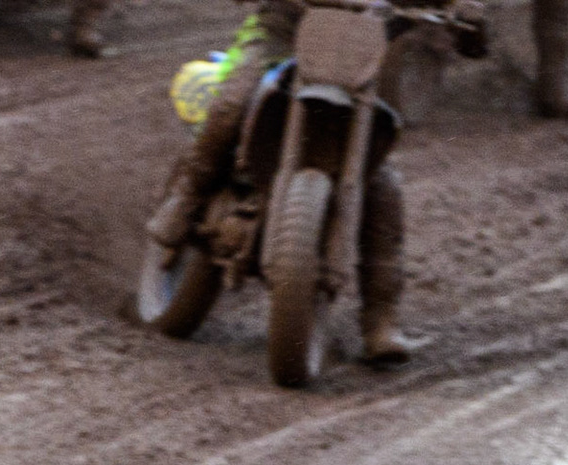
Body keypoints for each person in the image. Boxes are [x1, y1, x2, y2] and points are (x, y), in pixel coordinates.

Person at [144, 0, 485, 366]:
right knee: (233, 103)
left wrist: (468, 14)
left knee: (382, 182)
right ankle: (186, 196)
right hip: (281, 35)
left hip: (359, 59)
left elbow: (471, 40)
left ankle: (380, 318)